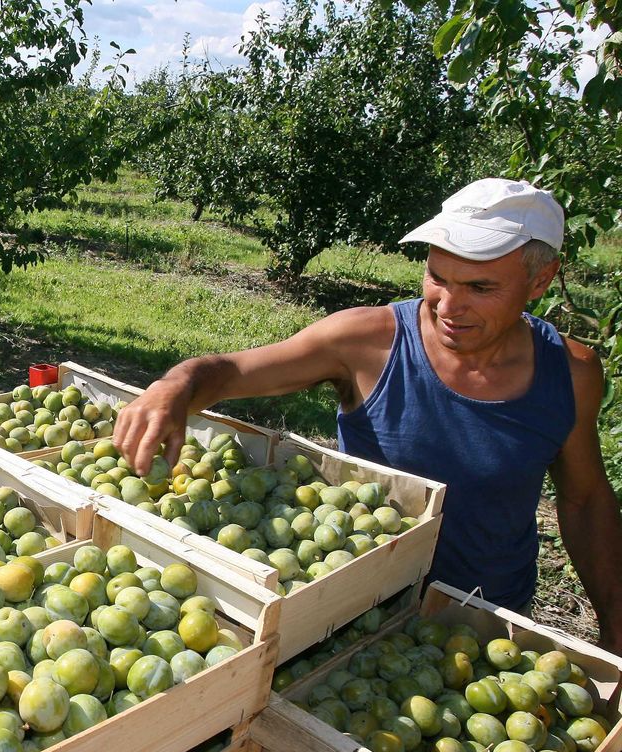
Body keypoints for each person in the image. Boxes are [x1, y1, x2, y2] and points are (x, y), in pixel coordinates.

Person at [114, 178, 622, 655]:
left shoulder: (570, 373)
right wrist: (176, 386)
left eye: (480, 288)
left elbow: (584, 500)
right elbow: (230, 372)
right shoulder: (365, 342)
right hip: (356, 621)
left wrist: (615, 622)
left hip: (484, 623)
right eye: (437, 277)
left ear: (540, 280)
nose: (449, 305)